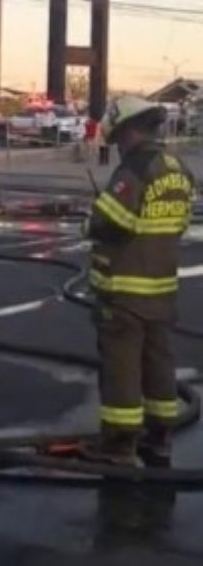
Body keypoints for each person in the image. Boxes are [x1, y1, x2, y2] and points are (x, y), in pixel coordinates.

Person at [84, 96, 195, 467]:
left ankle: (118, 445)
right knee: (159, 363)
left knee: (122, 368)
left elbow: (110, 222)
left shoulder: (136, 167)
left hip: (125, 291)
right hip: (161, 288)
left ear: (129, 130)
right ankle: (159, 436)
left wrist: (90, 221)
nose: (117, 147)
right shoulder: (178, 168)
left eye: (117, 139)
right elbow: (175, 225)